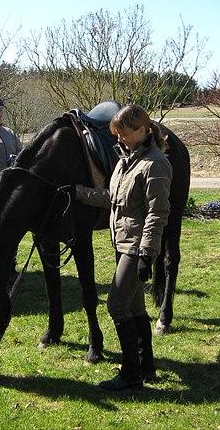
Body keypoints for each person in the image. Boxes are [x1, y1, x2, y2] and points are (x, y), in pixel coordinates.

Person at [64, 104, 172, 391]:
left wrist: (147, 255)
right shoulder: (127, 160)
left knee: (116, 305)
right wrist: (78, 193)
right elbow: (113, 197)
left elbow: (157, 214)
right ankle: (145, 365)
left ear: (141, 129)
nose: (119, 139)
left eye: (123, 134)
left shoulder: (155, 164)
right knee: (134, 306)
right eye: (117, 135)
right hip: (124, 243)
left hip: (137, 247)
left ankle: (130, 374)